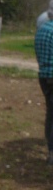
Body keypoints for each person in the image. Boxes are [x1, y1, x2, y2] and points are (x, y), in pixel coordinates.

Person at [35, 11, 53, 165]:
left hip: (44, 76)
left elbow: (38, 55)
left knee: (50, 114)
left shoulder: (41, 30)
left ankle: (51, 151)